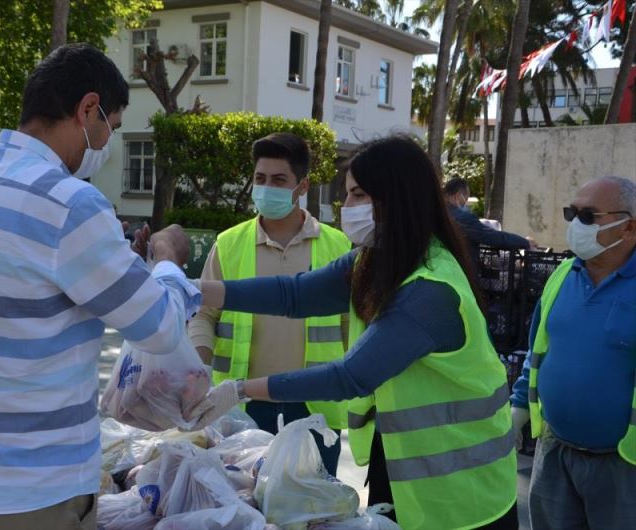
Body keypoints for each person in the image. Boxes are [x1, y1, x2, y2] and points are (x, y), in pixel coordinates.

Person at [0, 43, 200, 530]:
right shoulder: (69, 203)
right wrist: (168, 264)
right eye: (109, 125)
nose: (106, 143)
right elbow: (160, 329)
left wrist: (114, 267)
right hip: (30, 491)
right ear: (86, 109)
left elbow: (17, 285)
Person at [187, 135, 518, 530]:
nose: (348, 208)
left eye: (359, 195)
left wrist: (239, 389)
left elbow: (348, 377)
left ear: (395, 197)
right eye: (348, 195)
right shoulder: (377, 259)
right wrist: (193, 290)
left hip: (463, 494)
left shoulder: (430, 289)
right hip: (402, 467)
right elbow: (296, 293)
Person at [188, 133, 351, 475]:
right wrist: (199, 369)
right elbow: (203, 315)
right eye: (260, 179)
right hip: (239, 407)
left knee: (310, 517)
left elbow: (352, 326)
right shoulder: (228, 244)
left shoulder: (338, 247)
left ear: (302, 186)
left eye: (279, 180)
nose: (266, 188)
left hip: (315, 409)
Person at [510, 176, 636, 530]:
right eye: (572, 213)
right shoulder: (562, 276)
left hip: (623, 466)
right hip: (554, 454)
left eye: (587, 215)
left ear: (629, 227)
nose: (574, 224)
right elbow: (537, 351)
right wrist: (519, 407)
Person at [443, 177, 536, 252]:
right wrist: (525, 242)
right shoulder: (462, 218)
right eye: (465, 200)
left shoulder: (436, 212)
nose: (465, 205)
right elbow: (493, 237)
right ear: (458, 196)